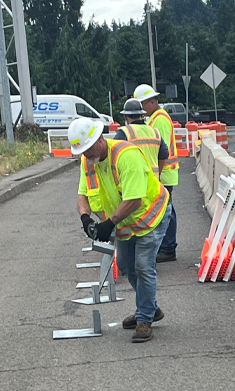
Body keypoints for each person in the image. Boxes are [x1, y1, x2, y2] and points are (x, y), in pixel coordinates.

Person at [68, 117, 171, 343]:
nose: (86, 155)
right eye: (82, 151)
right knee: (125, 265)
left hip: (150, 217)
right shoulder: (89, 162)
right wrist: (85, 218)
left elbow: (134, 200)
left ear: (100, 139)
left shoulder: (126, 156)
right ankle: (150, 307)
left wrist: (109, 223)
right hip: (124, 223)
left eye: (88, 148)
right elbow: (82, 195)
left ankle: (144, 319)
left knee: (143, 266)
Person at [134, 84, 179, 263]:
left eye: (143, 104)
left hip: (164, 172)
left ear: (152, 101)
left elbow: (162, 149)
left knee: (167, 211)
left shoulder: (159, 120)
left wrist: (156, 174)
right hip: (162, 172)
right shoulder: (155, 118)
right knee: (165, 210)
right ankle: (166, 246)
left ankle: (168, 248)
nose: (141, 109)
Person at [114, 98, 168, 180]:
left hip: (134, 182)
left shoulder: (124, 133)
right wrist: (157, 174)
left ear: (125, 117)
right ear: (142, 115)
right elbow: (164, 155)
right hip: (153, 183)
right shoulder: (155, 132)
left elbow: (113, 157)